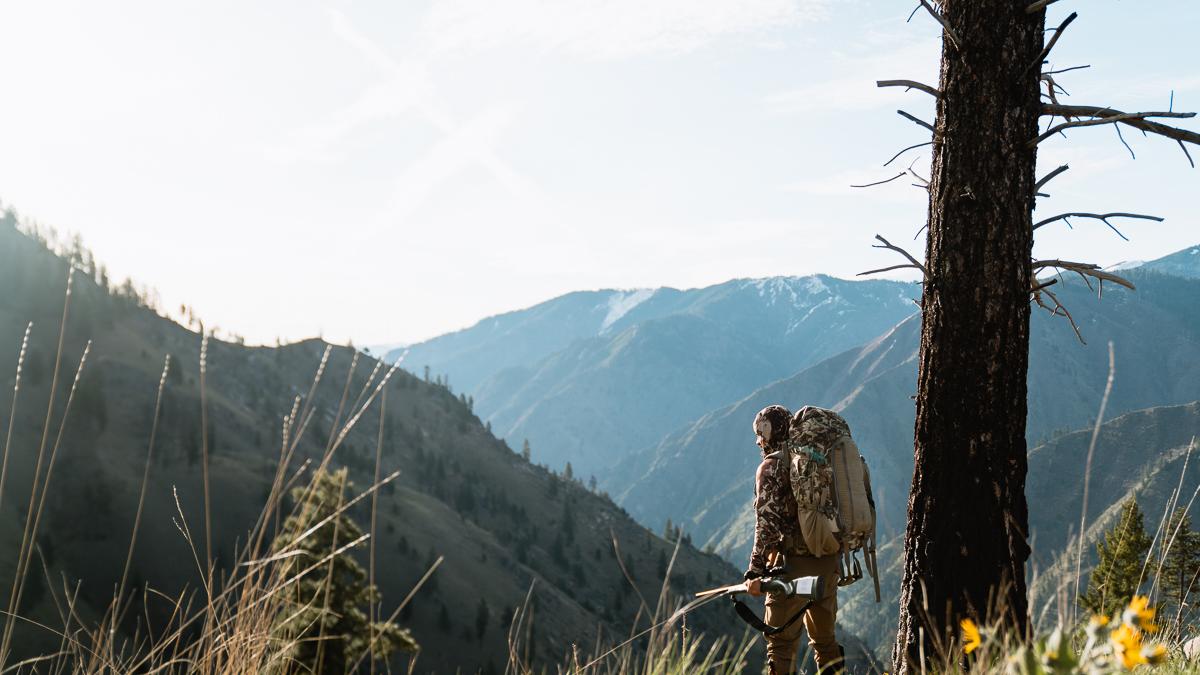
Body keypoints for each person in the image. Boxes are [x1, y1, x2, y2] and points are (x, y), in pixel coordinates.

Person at [745, 404, 843, 674]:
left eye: (759, 434)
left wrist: (755, 570)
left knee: (781, 645)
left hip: (791, 569)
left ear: (768, 432)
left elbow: (766, 526)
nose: (758, 441)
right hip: (828, 563)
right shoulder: (818, 458)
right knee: (825, 644)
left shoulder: (771, 467)